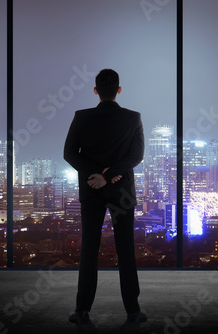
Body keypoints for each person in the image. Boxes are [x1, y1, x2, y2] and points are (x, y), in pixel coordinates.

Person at [64, 69, 146, 328]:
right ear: (119, 90)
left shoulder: (81, 117)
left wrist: (96, 176)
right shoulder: (133, 118)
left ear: (95, 90)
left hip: (91, 190)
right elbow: (136, 156)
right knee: (126, 251)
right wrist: (111, 175)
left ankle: (82, 311)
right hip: (121, 193)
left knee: (89, 250)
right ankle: (133, 312)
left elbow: (69, 153)